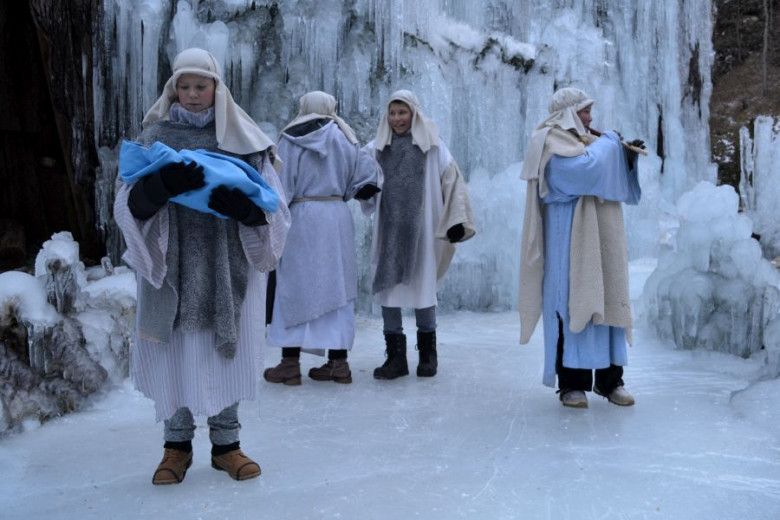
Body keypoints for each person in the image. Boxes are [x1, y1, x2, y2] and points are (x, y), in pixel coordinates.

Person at [113, 47, 291, 485]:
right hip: (171, 263)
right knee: (176, 351)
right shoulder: (154, 135)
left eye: (201, 86)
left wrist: (250, 215)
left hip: (224, 258)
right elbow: (124, 201)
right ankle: (176, 447)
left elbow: (274, 202)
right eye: (185, 86)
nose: (193, 95)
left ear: (217, 88)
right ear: (173, 88)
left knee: (220, 349)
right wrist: (153, 191)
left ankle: (227, 446)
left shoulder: (242, 137)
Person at [518, 87, 643, 408]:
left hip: (602, 237)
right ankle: (571, 383)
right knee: (573, 301)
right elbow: (581, 173)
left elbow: (613, 181)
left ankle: (610, 380)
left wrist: (626, 157)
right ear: (568, 112)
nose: (590, 117)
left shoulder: (587, 143)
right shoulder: (549, 142)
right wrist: (610, 143)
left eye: (590, 111)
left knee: (609, 296)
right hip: (569, 240)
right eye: (585, 111)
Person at [263, 91, 381, 385]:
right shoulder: (346, 138)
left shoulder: (289, 139)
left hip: (302, 214)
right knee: (337, 288)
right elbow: (369, 179)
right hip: (335, 215)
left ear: (303, 107)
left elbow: (280, 186)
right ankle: (338, 364)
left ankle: (289, 363)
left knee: (294, 286)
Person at [364, 90, 475, 380]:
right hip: (390, 229)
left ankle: (428, 355)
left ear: (414, 113)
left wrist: (456, 219)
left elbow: (453, 183)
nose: (397, 119)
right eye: (393, 113)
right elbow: (360, 174)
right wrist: (362, 188)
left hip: (423, 228)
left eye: (403, 113)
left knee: (423, 287)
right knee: (389, 288)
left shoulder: (432, 146)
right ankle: (396, 357)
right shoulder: (376, 147)